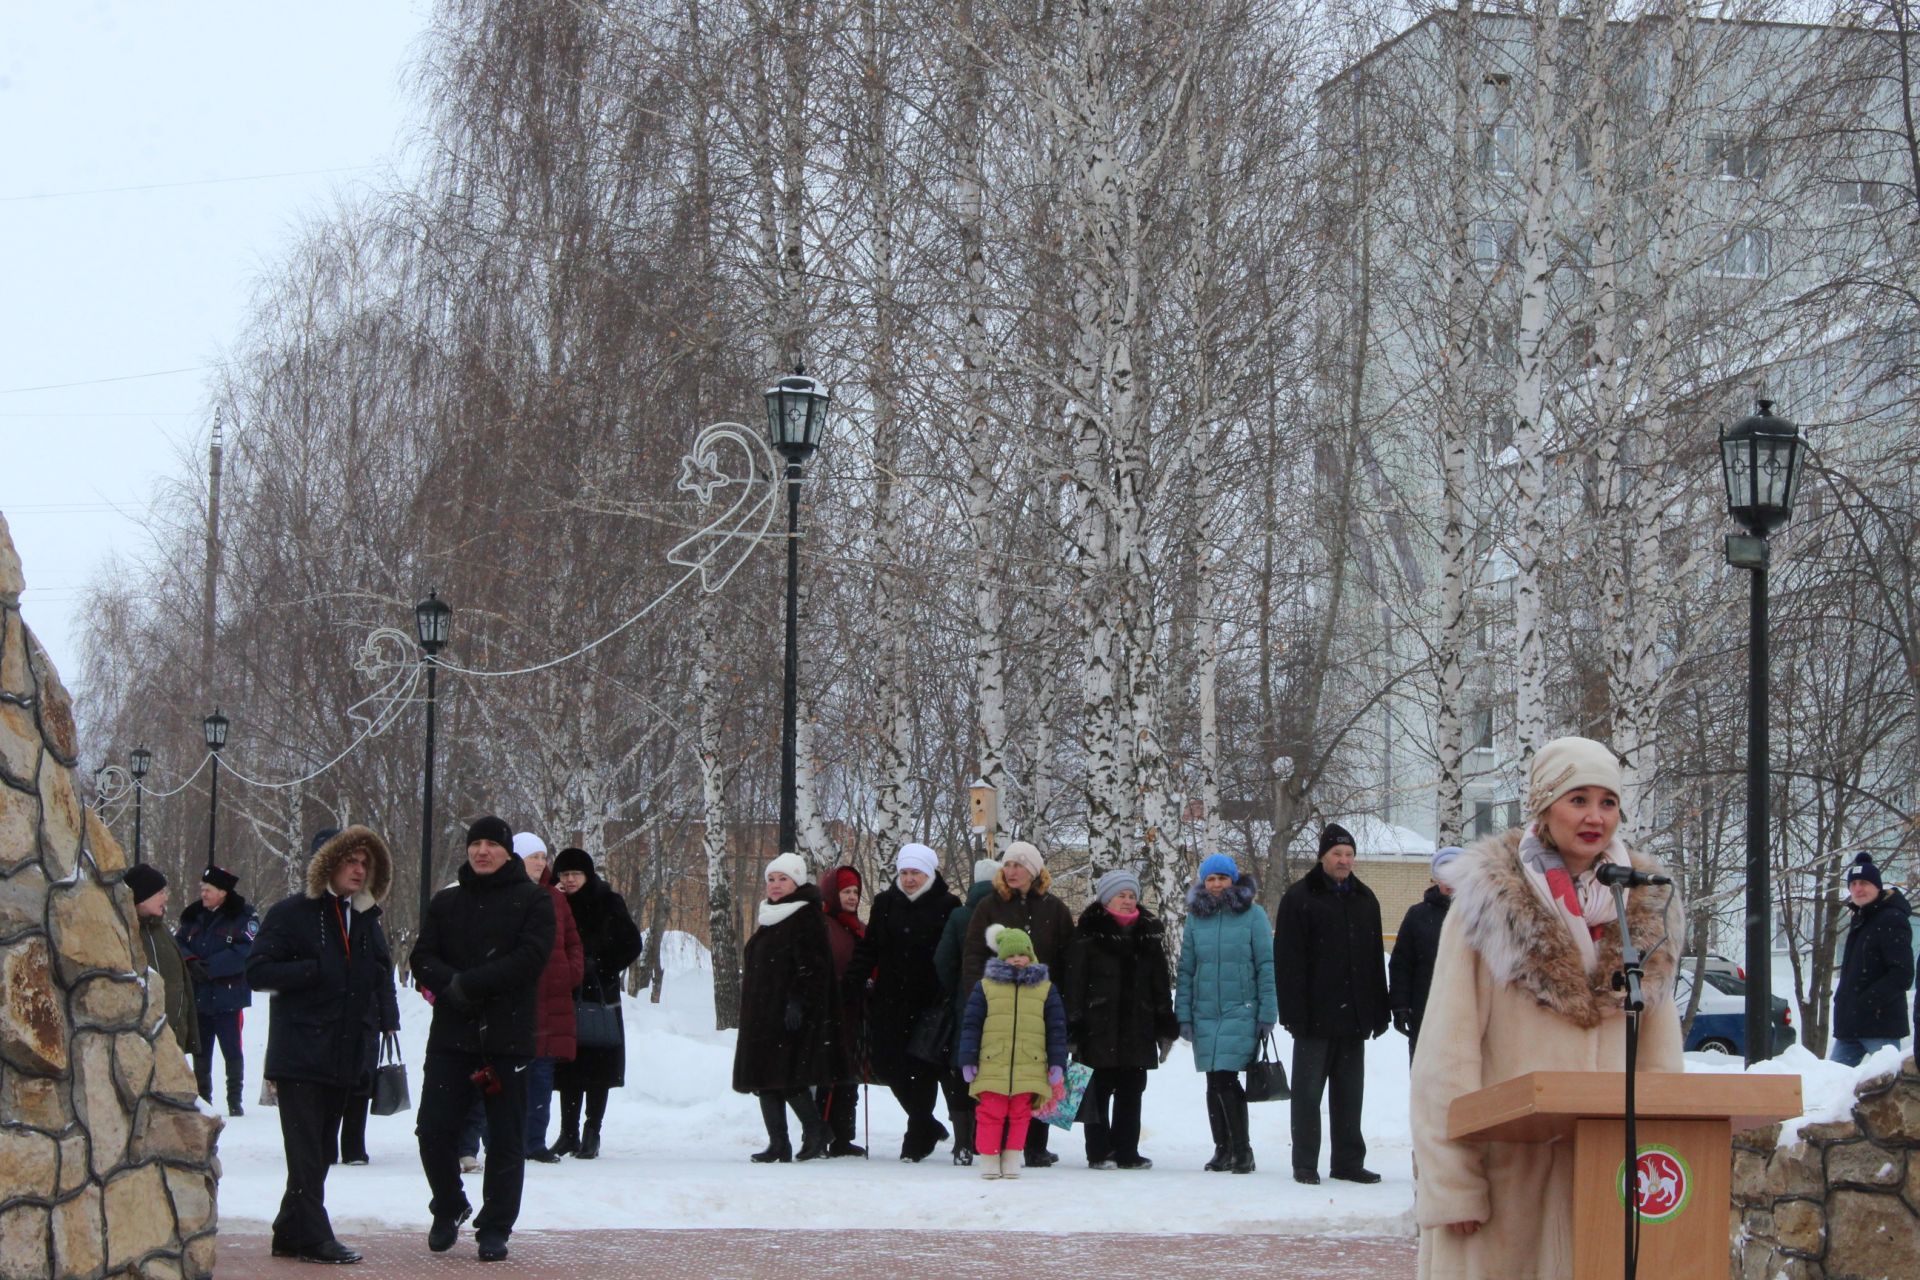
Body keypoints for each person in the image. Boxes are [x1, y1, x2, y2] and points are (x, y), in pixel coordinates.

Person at [1412, 736, 1685, 1279]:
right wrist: (1455, 1183)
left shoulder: (1647, 908)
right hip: (1507, 1180)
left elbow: (1660, 1063)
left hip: (1607, 1181)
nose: (1594, 817)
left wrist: (1665, 1157)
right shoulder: (1487, 906)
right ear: (1544, 804)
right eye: (1577, 799)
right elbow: (1447, 1054)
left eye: (1607, 802)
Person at [247, 826, 402, 1266]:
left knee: (319, 1150)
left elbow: (378, 974)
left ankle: (289, 1230)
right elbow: (257, 971)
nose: (358, 869)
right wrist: (310, 971)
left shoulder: (365, 918)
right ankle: (315, 1235)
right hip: (300, 1053)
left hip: (345, 1051)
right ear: (328, 865)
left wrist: (383, 1021)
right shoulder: (292, 913)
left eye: (364, 863)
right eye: (350, 861)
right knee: (306, 1153)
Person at [410, 816, 555, 1264]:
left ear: (508, 851)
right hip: (452, 1037)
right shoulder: (447, 902)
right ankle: (449, 1204)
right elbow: (422, 956)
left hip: (506, 1038)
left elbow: (530, 959)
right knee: (433, 1130)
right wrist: (452, 984)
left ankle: (495, 1226)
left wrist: (470, 985)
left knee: (506, 1139)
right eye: (476, 843)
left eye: (492, 844)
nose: (482, 851)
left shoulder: (533, 901)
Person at [1275, 822, 1391, 1185]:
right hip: (1313, 1017)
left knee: (1349, 1095)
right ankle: (1305, 1163)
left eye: (1349, 855)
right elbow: (1288, 960)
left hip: (1354, 1016)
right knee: (1308, 1096)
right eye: (1337, 854)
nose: (1344, 860)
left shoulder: (1365, 898)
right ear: (1322, 857)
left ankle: (1347, 1162)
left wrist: (1379, 1010)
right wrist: (1293, 1013)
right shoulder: (1300, 897)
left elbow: (1375, 959)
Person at [961, 841, 1075, 1168]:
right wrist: (977, 997)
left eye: (1019, 865)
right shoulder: (988, 907)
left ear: (1034, 870)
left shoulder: (1054, 909)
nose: (1011, 872)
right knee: (996, 1078)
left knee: (1036, 1075)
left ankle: (1035, 1146)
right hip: (996, 1006)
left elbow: (1069, 959)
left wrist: (1064, 1003)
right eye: (1007, 865)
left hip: (1038, 1006)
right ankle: (989, 1146)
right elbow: (973, 955)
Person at [845, 843, 962, 1162]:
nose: (909, 879)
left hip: (930, 1000)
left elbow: (954, 952)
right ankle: (927, 1123)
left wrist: (948, 989)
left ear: (929, 873)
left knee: (921, 1067)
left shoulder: (948, 904)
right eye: (905, 872)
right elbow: (870, 948)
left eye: (916, 873)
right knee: (883, 1062)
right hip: (889, 999)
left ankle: (917, 1136)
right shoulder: (885, 903)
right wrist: (854, 980)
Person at [732, 853, 846, 1162]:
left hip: (788, 1015)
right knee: (765, 1079)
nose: (776, 885)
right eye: (771, 879)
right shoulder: (769, 915)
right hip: (762, 1014)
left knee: (789, 1077)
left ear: (797, 882)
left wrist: (797, 1001)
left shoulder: (805, 916)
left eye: (783, 879)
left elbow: (814, 967)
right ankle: (778, 1143)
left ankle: (816, 1129)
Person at [1066, 867, 1178, 1170]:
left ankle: (1127, 1151)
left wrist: (1165, 1025)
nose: (1128, 901)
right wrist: (1073, 1028)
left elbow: (1160, 985)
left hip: (1137, 1025)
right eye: (1121, 895)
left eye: (1132, 896)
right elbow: (1074, 985)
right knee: (1098, 1090)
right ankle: (1099, 1151)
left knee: (1132, 1090)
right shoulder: (1088, 934)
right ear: (1106, 899)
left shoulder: (1149, 934)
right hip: (1097, 1027)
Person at [1175, 853, 1277, 1174]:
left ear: (1233, 880)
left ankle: (1242, 1150)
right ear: (1203, 883)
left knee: (1225, 1077)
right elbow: (1186, 969)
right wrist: (1184, 1015)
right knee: (1212, 1080)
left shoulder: (1253, 915)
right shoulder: (1195, 918)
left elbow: (1265, 965)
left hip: (1241, 1009)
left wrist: (1267, 1011)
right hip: (1205, 1010)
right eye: (1210, 879)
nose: (1216, 884)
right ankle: (1223, 1148)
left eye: (1222, 878)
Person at [550, 846, 641, 1160]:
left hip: (600, 995)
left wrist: (601, 965)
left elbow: (632, 943)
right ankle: (568, 1133)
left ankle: (592, 1132)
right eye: (564, 874)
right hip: (566, 993)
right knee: (568, 1065)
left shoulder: (608, 901)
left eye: (575, 874)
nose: (570, 880)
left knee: (598, 1065)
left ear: (587, 875)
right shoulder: (554, 903)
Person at [958, 925, 1069, 1180]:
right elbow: (971, 1024)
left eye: (1022, 954)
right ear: (1001, 958)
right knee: (990, 1112)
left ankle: (1011, 1156)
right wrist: (968, 1059)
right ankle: (989, 1157)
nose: (1017, 959)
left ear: (1031, 956)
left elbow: (1056, 1029)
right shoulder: (985, 987)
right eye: (1011, 955)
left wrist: (1056, 1063)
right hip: (992, 1061)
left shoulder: (1045, 988)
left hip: (1030, 1063)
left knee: (1020, 1114)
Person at [514, 833, 584, 1163]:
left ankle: (535, 1141)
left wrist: (568, 973)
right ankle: (502, 1138)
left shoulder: (555, 899)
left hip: (551, 997)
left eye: (543, 856)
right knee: (506, 1074)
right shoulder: (505, 894)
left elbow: (573, 941)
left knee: (541, 1073)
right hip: (514, 998)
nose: (541, 863)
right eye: (534, 856)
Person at [177, 863, 258, 1116]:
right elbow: (178, 942)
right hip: (200, 994)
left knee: (232, 1050)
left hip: (228, 996)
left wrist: (211, 967)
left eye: (208, 890)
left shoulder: (243, 917)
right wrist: (190, 962)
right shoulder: (193, 915)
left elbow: (246, 951)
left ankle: (235, 1100)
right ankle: (204, 1098)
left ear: (223, 892)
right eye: (202, 889)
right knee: (201, 1050)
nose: (203, 894)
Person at [933, 856, 1000, 1165]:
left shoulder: (960, 915)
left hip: (966, 1001)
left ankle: (962, 1141)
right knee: (995, 1070)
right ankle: (990, 1138)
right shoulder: (1006, 912)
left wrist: (955, 990)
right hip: (1002, 1005)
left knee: (963, 1068)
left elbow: (942, 959)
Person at [1830, 854, 1913, 1066]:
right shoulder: (1861, 919)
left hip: (1880, 1024)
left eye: (1864, 883)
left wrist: (1868, 1002)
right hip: (1851, 1025)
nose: (1858, 889)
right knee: (1832, 1085)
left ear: (1877, 887)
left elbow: (1902, 974)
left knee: (1887, 1088)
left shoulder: (1891, 919)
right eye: (1854, 884)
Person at [1389, 846, 1462, 1062]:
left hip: (1467, 1017)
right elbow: (1401, 964)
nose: (1449, 882)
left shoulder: (1480, 915)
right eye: (1444, 875)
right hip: (1425, 1013)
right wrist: (1400, 1006)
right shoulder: (1417, 915)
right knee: (1427, 1080)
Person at [124, 864, 202, 1060]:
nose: (165, 898)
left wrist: (188, 1031)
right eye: (160, 892)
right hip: (142, 1042)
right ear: (142, 897)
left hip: (173, 1038)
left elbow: (181, 985)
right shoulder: (127, 932)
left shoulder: (162, 931)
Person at [818, 865, 867, 1157]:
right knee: (828, 1075)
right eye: (846, 891)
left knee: (848, 1076)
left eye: (855, 892)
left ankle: (843, 1136)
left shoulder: (857, 927)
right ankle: (821, 1133)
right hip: (828, 1010)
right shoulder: (823, 925)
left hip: (853, 1011)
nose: (852, 897)